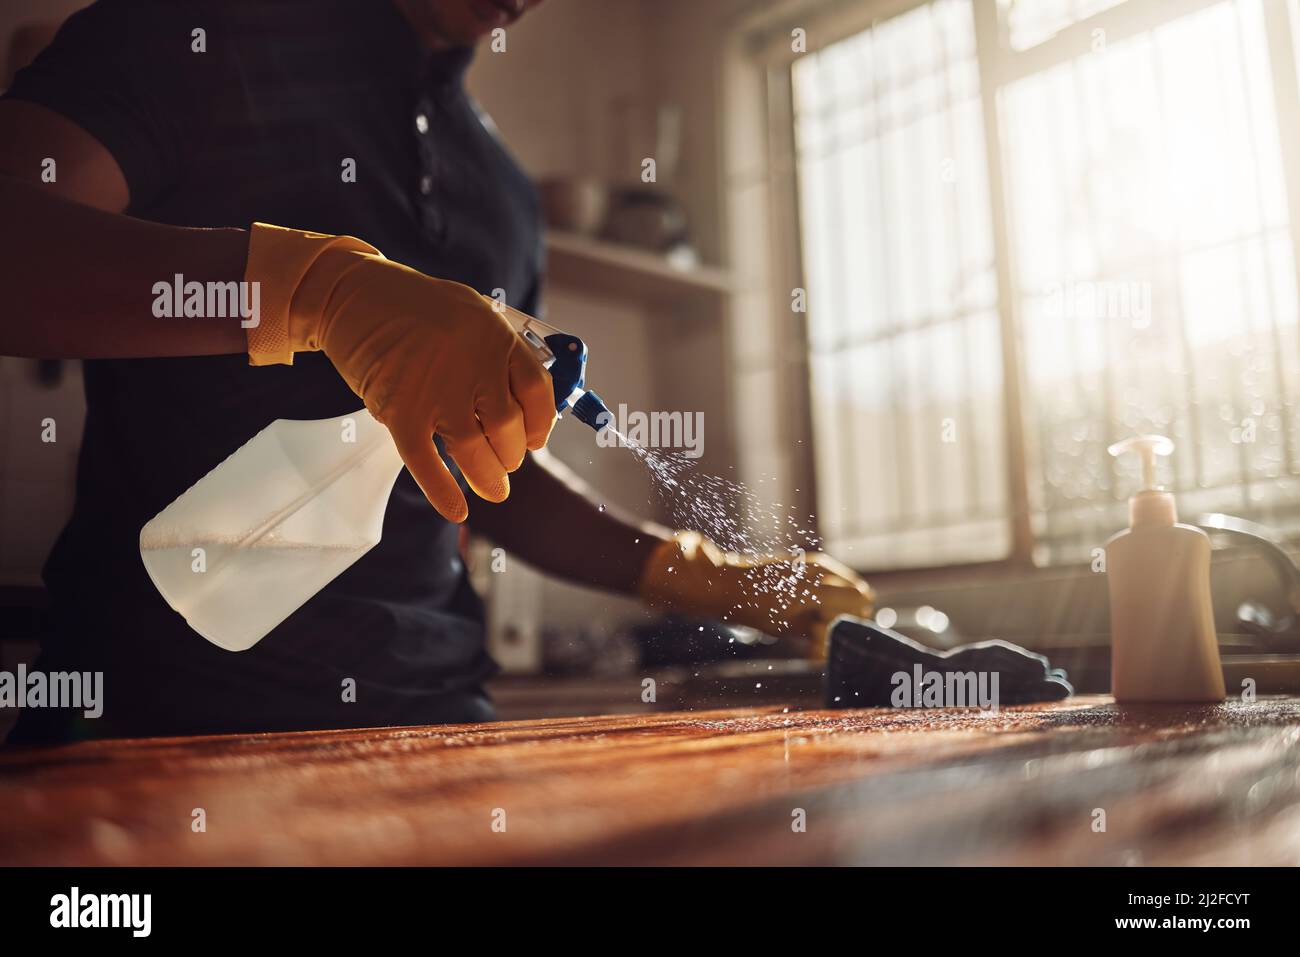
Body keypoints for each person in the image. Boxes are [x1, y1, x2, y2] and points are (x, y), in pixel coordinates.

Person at [0, 0, 873, 743]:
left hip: (435, 715)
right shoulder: (190, 34)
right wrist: (310, 293)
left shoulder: (503, 193)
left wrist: (699, 572)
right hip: (157, 713)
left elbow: (491, 467)